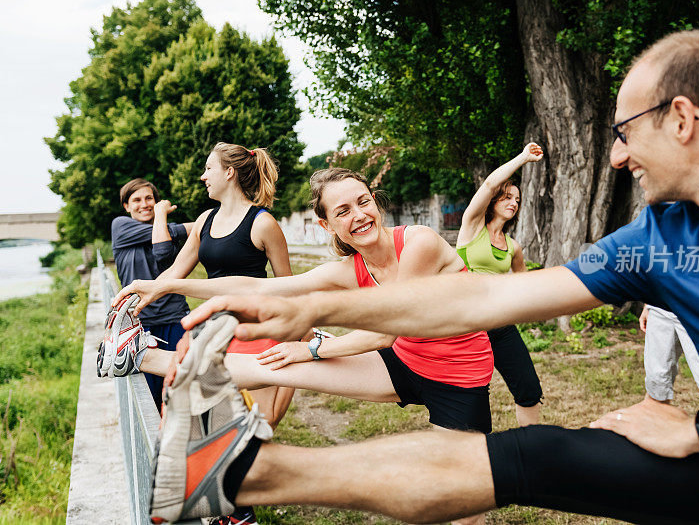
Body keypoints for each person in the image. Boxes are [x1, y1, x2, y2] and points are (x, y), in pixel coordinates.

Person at [146, 29, 699, 524]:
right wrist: (319, 312)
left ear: (683, 120)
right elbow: (488, 296)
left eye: (625, 132)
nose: (617, 154)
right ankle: (237, 477)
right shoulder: (660, 238)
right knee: (536, 454)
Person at [122, 167, 498, 523]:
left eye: (364, 202)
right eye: (343, 210)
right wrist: (169, 284)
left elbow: (387, 330)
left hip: (457, 379)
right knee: (274, 364)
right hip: (403, 363)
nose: (360, 215)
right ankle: (140, 354)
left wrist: (314, 348)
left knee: (464, 503)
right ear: (327, 224)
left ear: (376, 202)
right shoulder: (351, 269)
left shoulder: (420, 243)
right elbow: (258, 286)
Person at [121, 142, 297, 525]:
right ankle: (233, 509)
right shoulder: (204, 221)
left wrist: (299, 336)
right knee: (209, 421)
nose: (203, 176)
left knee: (257, 425)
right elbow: (172, 275)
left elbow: (289, 287)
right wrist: (138, 301)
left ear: (229, 173)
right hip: (214, 332)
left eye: (208, 169)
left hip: (259, 332)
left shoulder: (263, 223)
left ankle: (236, 501)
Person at [456, 142, 545, 425]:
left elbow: (524, 286)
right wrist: (523, 158)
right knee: (471, 397)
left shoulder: (513, 247)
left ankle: (532, 448)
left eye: (517, 200)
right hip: (466, 324)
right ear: (493, 200)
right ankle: (474, 454)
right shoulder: (471, 227)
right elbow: (490, 182)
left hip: (500, 324)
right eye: (507, 197)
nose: (513, 203)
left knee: (529, 389)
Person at [110, 178, 192, 408]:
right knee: (149, 395)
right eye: (136, 200)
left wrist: (162, 217)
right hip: (140, 323)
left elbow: (163, 251)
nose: (144, 204)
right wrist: (190, 225)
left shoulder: (166, 232)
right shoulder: (120, 226)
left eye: (150, 199)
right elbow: (172, 233)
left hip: (175, 319)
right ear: (126, 206)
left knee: (178, 389)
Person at [640, 304, 699, 406]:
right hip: (658, 307)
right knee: (656, 380)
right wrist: (647, 306)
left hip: (694, 309)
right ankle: (657, 419)